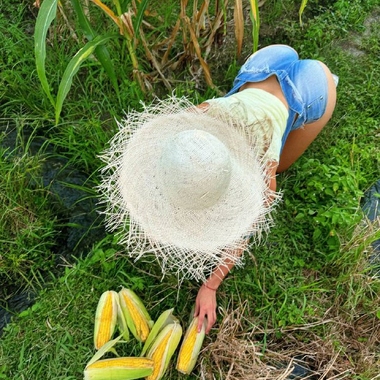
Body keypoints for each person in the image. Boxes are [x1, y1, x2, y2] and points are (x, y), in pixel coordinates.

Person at [98, 44, 337, 335]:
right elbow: (173, 150)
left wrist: (210, 285)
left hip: (312, 86)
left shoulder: (266, 169)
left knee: (286, 163)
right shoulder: (193, 124)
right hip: (264, 64)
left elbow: (248, 229)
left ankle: (329, 81)